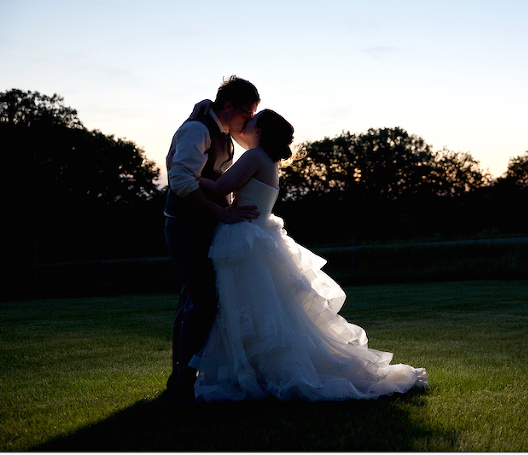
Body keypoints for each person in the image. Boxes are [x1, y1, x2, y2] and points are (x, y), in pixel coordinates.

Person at [188, 109, 428, 401]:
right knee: (262, 311)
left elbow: (220, 187)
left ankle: (255, 374)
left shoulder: (254, 157)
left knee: (248, 310)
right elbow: (242, 140)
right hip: (256, 237)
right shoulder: (267, 159)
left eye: (251, 121)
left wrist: (187, 173)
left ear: (260, 132)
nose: (245, 125)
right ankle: (255, 372)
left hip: (245, 241)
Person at [163, 75, 261, 403]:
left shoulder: (224, 136)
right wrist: (223, 214)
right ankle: (182, 384)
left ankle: (181, 381)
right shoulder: (197, 129)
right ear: (229, 106)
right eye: (247, 113)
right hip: (186, 227)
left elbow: (215, 181)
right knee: (202, 300)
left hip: (206, 227)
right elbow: (180, 181)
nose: (249, 120)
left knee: (194, 299)